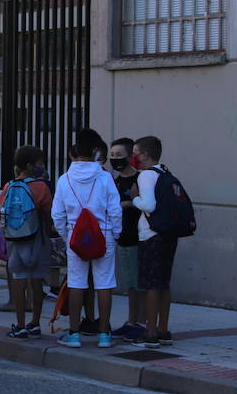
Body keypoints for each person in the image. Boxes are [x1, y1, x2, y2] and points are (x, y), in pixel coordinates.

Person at [51, 141, 123, 348]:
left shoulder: (64, 180)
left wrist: (67, 236)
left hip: (76, 235)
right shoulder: (104, 177)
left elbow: (57, 215)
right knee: (104, 283)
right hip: (105, 234)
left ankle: (74, 333)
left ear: (72, 155)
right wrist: (115, 233)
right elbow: (115, 209)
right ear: (94, 153)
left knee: (76, 282)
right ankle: (104, 334)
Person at [1, 146, 54, 338]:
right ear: (31, 165)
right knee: (37, 281)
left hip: (15, 241)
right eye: (40, 163)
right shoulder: (41, 187)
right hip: (36, 240)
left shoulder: (8, 186)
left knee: (19, 280)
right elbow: (48, 215)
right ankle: (36, 322)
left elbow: (2, 210)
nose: (43, 167)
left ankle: (21, 324)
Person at [132, 135, 178, 349]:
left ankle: (150, 332)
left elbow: (148, 205)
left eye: (135, 153)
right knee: (163, 284)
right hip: (168, 234)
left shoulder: (146, 176)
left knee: (151, 285)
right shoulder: (164, 172)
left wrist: (134, 198)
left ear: (145, 155)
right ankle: (163, 330)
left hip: (151, 235)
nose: (133, 157)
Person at [109, 138, 146, 340]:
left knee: (138, 283)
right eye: (112, 155)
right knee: (129, 283)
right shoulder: (113, 181)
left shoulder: (141, 179)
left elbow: (147, 205)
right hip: (121, 237)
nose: (115, 159)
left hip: (137, 237)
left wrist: (129, 203)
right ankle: (132, 320)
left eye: (119, 155)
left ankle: (139, 322)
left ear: (131, 156)